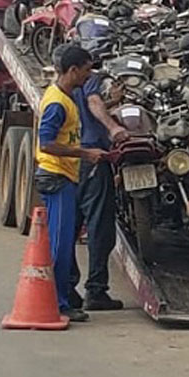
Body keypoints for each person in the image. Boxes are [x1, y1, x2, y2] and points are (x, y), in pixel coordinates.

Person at [35, 45, 105, 322]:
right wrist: (85, 153)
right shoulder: (57, 103)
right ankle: (59, 303)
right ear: (73, 70)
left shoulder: (67, 96)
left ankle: (59, 299)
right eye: (87, 70)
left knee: (63, 242)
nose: (89, 76)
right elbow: (47, 143)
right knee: (61, 246)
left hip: (65, 175)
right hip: (56, 176)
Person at [68, 53, 129, 311]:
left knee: (69, 227)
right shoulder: (92, 81)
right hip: (93, 157)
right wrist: (113, 127)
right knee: (99, 227)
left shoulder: (59, 89)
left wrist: (113, 101)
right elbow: (94, 102)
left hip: (69, 160)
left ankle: (67, 288)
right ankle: (96, 290)